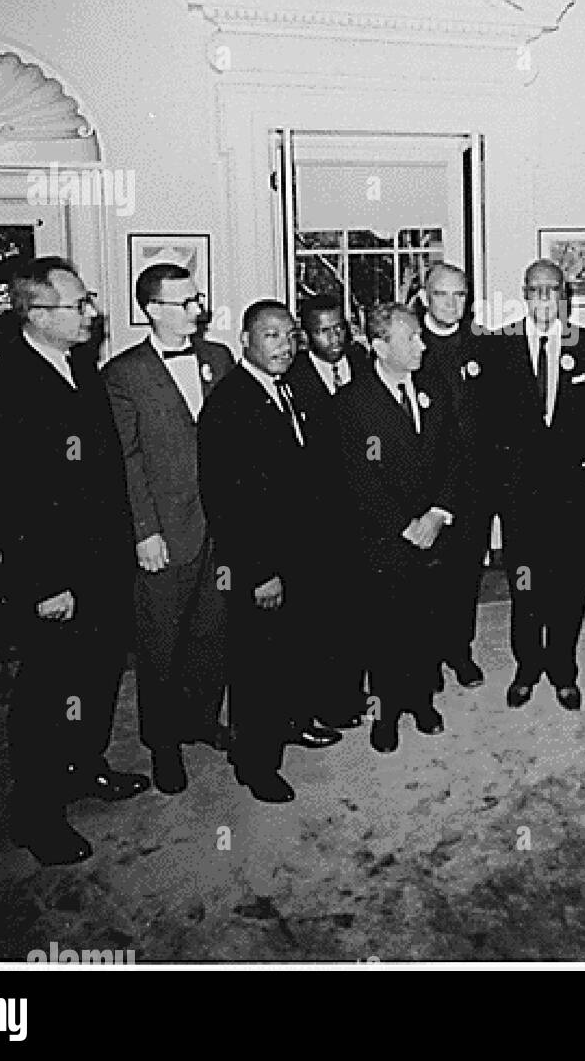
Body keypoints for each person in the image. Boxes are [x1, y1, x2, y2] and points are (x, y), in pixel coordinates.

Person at [0, 256, 147, 866]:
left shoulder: (78, 367)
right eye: (80, 305)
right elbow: (9, 499)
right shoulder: (7, 386)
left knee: (98, 675)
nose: (92, 315)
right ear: (37, 313)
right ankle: (36, 814)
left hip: (101, 564)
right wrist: (44, 583)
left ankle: (84, 767)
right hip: (54, 578)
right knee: (48, 691)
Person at [198, 301, 342, 804]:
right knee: (257, 666)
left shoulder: (289, 390)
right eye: (271, 335)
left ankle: (293, 723)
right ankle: (254, 763)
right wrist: (259, 572)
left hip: (302, 553)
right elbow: (227, 502)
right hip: (261, 563)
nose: (283, 345)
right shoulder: (229, 405)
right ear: (245, 341)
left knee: (294, 651)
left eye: (289, 335)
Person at [102, 263, 234, 796]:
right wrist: (144, 531)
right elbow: (127, 461)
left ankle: (199, 721)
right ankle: (162, 743)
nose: (196, 309)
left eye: (197, 299)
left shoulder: (218, 359)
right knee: (161, 645)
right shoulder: (123, 374)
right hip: (164, 532)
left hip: (220, 524)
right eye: (185, 302)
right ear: (153, 309)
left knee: (212, 634)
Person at [336, 303, 468, 753]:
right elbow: (358, 479)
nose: (422, 344)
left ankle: (420, 701)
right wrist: (404, 525)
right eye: (410, 338)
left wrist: (437, 513)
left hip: (434, 531)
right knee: (386, 629)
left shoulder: (435, 388)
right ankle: (387, 711)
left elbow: (454, 455)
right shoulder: (353, 403)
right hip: (383, 540)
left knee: (427, 620)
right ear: (378, 347)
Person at [489, 260, 585, 710]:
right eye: (535, 289)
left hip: (574, 495)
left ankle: (563, 667)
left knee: (569, 586)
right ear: (524, 293)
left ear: (564, 296)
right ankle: (526, 666)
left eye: (552, 290)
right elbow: (486, 424)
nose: (543, 298)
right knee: (525, 584)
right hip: (521, 496)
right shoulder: (498, 348)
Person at [282, 293, 370, 727]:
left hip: (366, 509)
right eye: (321, 330)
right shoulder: (292, 377)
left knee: (360, 609)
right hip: (319, 516)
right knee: (322, 615)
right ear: (305, 336)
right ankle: (322, 700)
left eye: (339, 328)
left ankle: (352, 695)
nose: (333, 338)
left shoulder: (364, 361)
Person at [416, 263, 492, 689]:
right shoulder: (410, 343)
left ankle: (459, 651)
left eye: (460, 295)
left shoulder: (482, 345)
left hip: (473, 486)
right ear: (426, 297)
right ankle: (426, 658)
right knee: (427, 576)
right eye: (443, 295)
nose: (452, 303)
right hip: (426, 489)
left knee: (465, 575)